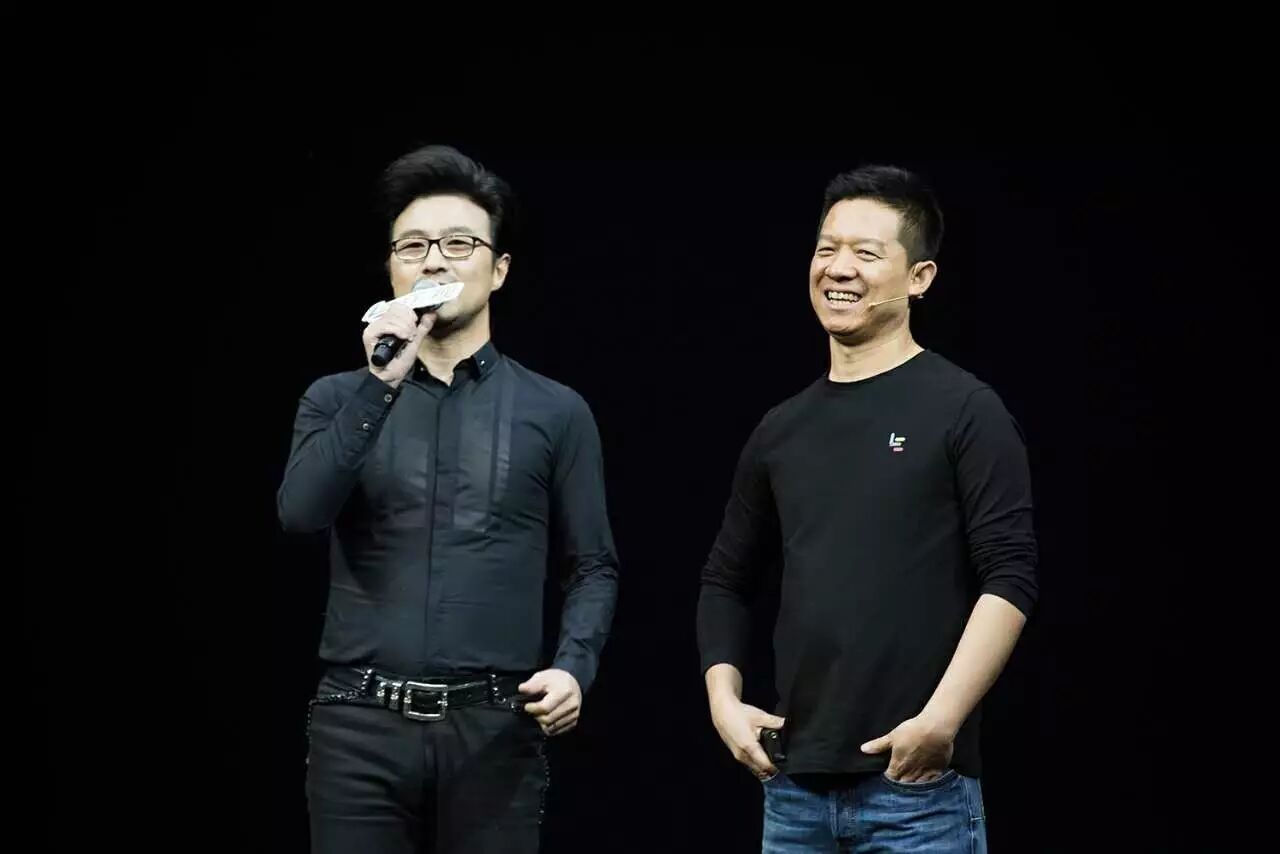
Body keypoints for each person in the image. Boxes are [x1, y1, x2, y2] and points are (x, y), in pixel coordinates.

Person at [277, 144, 620, 854]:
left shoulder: (555, 410)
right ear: (391, 270)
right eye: (413, 247)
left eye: (459, 244)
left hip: (494, 728)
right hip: (358, 724)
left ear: (499, 270)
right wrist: (381, 382)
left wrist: (573, 667)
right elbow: (300, 513)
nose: (434, 262)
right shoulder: (337, 399)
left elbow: (592, 565)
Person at [696, 164, 1038, 852]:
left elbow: (1010, 577)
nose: (839, 268)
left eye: (866, 253)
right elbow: (725, 580)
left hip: (918, 792)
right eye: (827, 249)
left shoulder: (964, 409)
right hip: (794, 794)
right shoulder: (781, 429)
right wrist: (723, 703)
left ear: (920, 277)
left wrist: (941, 721)